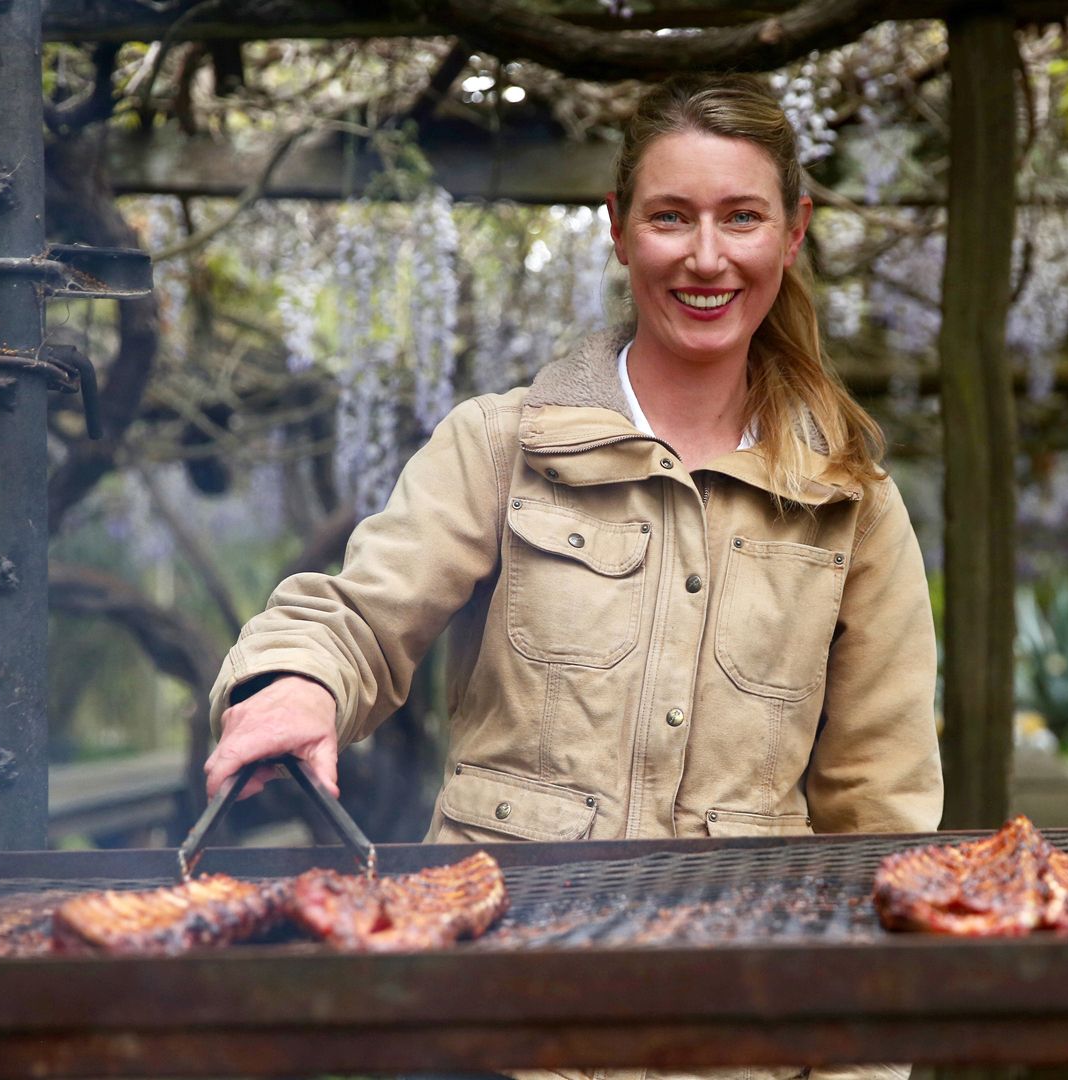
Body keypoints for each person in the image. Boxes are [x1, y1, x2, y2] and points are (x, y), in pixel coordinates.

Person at [205, 72, 941, 857]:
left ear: (793, 234)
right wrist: (294, 688)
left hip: (738, 943)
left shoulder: (850, 502)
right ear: (619, 230)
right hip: (507, 930)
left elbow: (879, 791)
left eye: (741, 218)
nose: (705, 256)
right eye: (669, 217)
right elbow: (358, 620)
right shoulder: (498, 446)